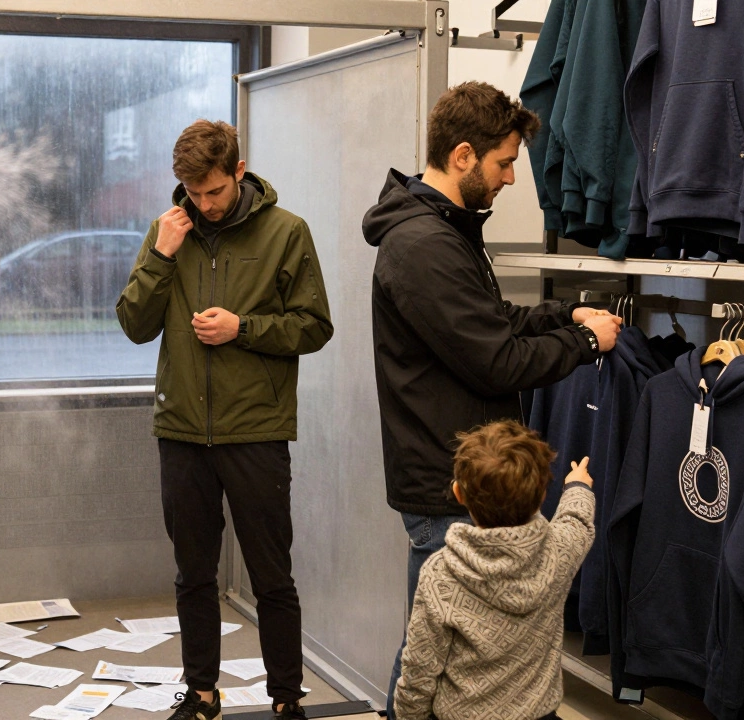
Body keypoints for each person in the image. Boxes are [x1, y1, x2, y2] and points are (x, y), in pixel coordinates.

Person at [360, 81, 622, 718]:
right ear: (463, 156)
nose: (510, 179)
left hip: (456, 470)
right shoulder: (422, 246)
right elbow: (497, 359)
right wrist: (585, 342)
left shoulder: (445, 230)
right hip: (446, 482)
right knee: (429, 655)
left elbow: (491, 319)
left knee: (440, 647)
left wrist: (564, 312)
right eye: (504, 163)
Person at [116, 119, 334, 720]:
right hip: (182, 430)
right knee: (193, 574)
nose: (203, 204)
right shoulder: (169, 232)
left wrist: (245, 329)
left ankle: (287, 699)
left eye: (213, 190)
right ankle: (202, 693)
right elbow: (134, 325)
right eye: (190, 191)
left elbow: (315, 327)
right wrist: (162, 254)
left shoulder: (288, 232)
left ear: (239, 171)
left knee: (272, 576)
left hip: (256, 430)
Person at [393, 421, 596, 720]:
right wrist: (577, 486)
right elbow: (576, 521)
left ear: (459, 493)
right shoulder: (557, 552)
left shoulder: (442, 572)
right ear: (541, 496)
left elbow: (420, 669)